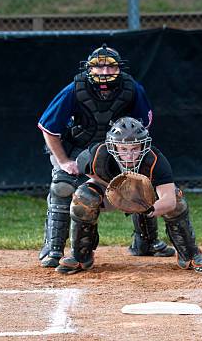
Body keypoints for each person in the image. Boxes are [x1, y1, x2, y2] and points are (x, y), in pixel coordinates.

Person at [37, 44, 174, 268]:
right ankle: (53, 247)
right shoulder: (74, 89)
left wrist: (131, 159)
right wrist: (63, 161)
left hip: (116, 150)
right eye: (97, 67)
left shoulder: (132, 88)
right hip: (77, 149)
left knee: (138, 184)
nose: (104, 72)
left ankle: (146, 242)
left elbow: (142, 127)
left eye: (110, 67)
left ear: (119, 69)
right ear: (88, 69)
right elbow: (49, 128)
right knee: (62, 187)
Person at [55, 117, 202, 275]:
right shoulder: (97, 155)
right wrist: (116, 189)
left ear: (143, 146)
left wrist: (149, 208)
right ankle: (80, 256)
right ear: (113, 146)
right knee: (84, 196)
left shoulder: (155, 160)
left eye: (135, 149)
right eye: (123, 149)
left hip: (145, 196)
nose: (129, 155)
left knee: (177, 198)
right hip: (110, 191)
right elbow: (87, 171)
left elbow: (169, 201)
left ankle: (190, 254)